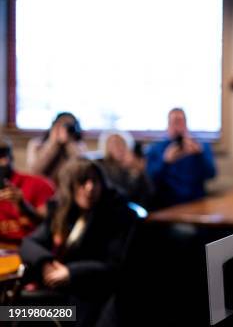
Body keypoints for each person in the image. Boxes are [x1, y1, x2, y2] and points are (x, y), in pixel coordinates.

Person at [19, 158, 136, 326]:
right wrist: (46, 263)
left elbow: (115, 265)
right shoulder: (62, 211)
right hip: (62, 297)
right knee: (10, 313)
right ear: (69, 186)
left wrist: (70, 272)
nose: (90, 188)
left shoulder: (117, 214)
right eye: (82, 182)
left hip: (94, 297)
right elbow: (29, 243)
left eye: (95, 181)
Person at [146, 108, 216, 208]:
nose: (178, 127)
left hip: (196, 203)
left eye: (181, 122)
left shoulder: (200, 146)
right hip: (168, 204)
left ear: (186, 125)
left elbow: (211, 174)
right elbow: (150, 179)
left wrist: (199, 155)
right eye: (174, 122)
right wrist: (165, 161)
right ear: (168, 125)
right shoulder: (156, 149)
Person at [0, 138, 54, 242]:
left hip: (29, 250)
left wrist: (23, 205)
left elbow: (51, 224)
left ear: (9, 158)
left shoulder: (39, 184)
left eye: (3, 156)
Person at [26, 112, 88, 185]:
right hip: (44, 187)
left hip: (68, 188)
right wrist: (53, 143)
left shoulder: (79, 146)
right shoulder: (36, 144)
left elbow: (82, 171)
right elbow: (34, 171)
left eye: (69, 126)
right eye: (61, 125)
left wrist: (69, 144)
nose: (65, 129)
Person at [97, 131, 153, 209]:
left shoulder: (134, 163)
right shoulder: (103, 166)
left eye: (121, 143)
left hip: (138, 207)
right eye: (113, 144)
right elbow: (121, 193)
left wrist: (137, 171)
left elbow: (149, 192)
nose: (118, 147)